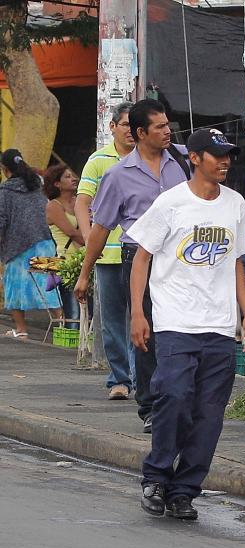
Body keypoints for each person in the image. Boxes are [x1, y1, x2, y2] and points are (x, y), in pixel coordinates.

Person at [128, 128, 245, 520]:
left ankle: (184, 490)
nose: (225, 162)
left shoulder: (235, 205)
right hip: (176, 322)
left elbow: (236, 262)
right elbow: (142, 258)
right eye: (217, 155)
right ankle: (157, 477)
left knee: (210, 414)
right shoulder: (171, 203)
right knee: (174, 397)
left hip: (219, 326)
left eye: (229, 155)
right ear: (195, 158)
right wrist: (137, 312)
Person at [75, 98, 190, 431]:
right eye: (160, 127)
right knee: (146, 331)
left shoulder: (184, 161)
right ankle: (152, 406)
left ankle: (181, 399)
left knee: (183, 330)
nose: (168, 131)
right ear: (141, 133)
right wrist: (85, 274)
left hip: (182, 260)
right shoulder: (117, 175)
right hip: (138, 259)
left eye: (168, 125)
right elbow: (100, 229)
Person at [75, 101, 137, 401]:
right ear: (112, 127)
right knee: (113, 321)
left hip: (141, 253)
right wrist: (90, 240)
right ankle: (120, 379)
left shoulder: (150, 159)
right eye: (124, 124)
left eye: (133, 125)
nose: (129, 131)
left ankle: (142, 377)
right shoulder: (99, 161)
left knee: (143, 316)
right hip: (109, 254)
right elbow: (82, 202)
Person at [0, 149, 62, 339]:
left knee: (15, 288)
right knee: (50, 287)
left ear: (4, 168)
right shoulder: (38, 184)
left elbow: (1, 221)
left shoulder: (4, 191)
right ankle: (62, 329)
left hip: (17, 248)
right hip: (45, 241)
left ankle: (21, 330)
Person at [44, 164, 84, 328]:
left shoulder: (79, 201)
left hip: (84, 259)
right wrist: (94, 244)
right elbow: (72, 232)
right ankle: (70, 350)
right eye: (67, 177)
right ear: (57, 184)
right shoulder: (53, 206)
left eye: (73, 175)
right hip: (67, 263)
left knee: (90, 311)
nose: (73, 179)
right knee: (73, 312)